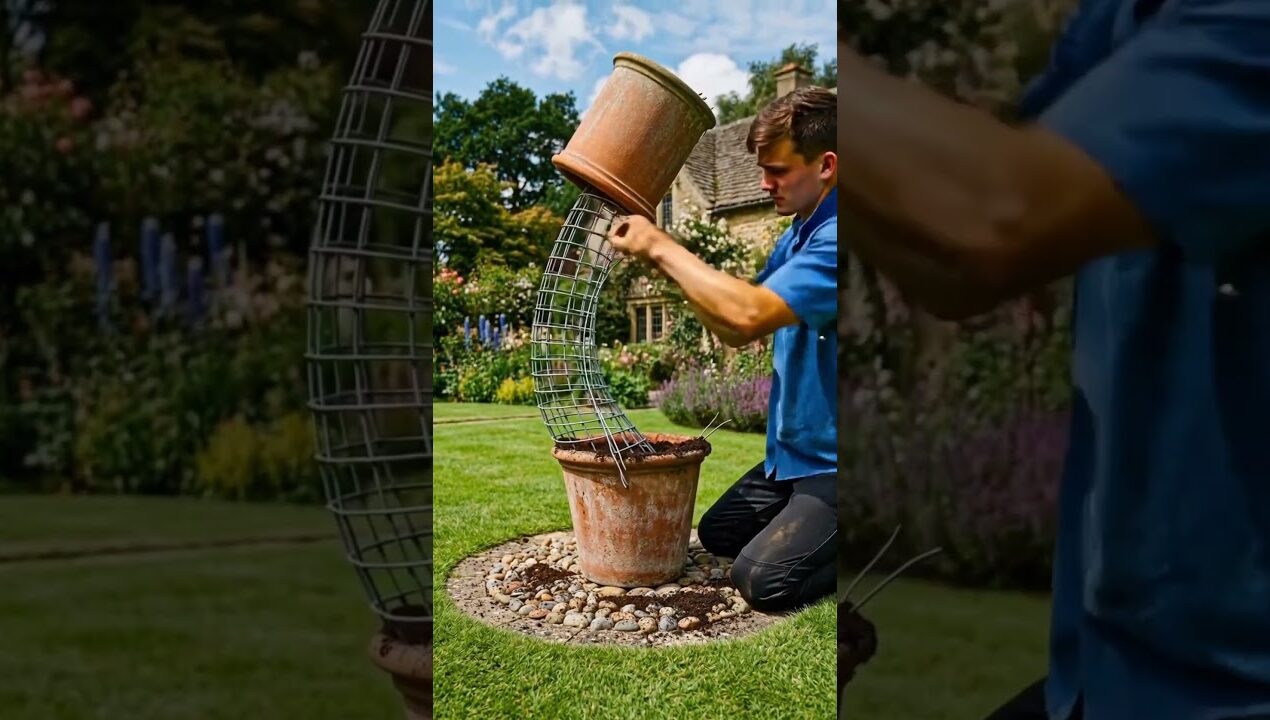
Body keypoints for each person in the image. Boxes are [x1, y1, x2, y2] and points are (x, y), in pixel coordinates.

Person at [836, 0, 1270, 718]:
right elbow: (953, 264)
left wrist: (826, 100)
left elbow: (997, 212)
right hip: (1108, 671)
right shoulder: (1122, 20)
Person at [607, 86, 838, 612]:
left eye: (778, 170)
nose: (764, 184)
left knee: (761, 580)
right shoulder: (799, 233)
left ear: (826, 165)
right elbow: (739, 328)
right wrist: (663, 264)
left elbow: (747, 313)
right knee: (719, 533)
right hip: (792, 461)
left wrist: (661, 244)